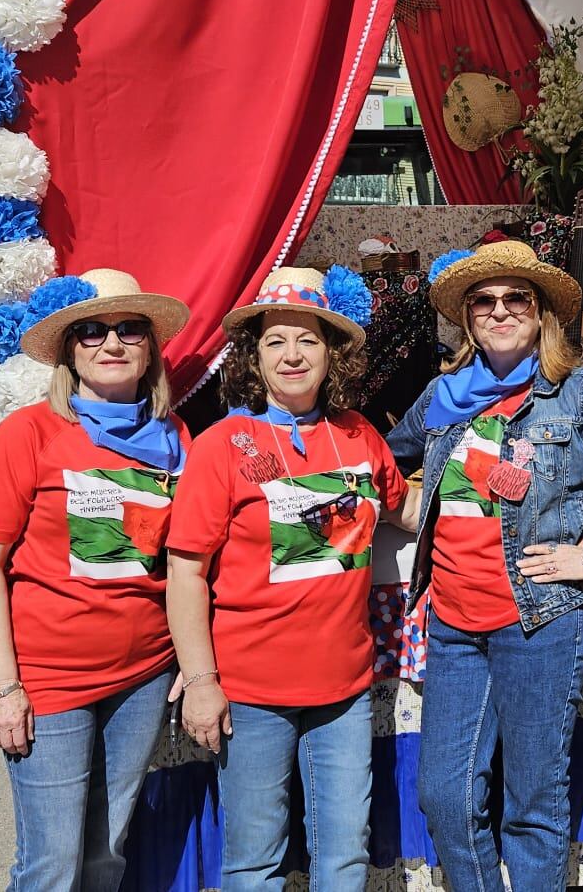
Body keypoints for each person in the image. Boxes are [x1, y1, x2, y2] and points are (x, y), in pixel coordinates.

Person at [386, 240, 583, 892]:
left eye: (516, 297)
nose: (499, 310)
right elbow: (380, 458)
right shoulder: (442, 397)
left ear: (542, 311)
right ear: (466, 318)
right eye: (484, 301)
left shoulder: (578, 394)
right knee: (447, 799)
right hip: (455, 626)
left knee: (532, 807)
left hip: (540, 623)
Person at [165, 267, 407, 892]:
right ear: (255, 357)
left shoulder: (359, 436)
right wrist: (200, 681)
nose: (293, 355)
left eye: (308, 339)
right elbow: (186, 570)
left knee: (344, 857)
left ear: (332, 352)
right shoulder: (222, 445)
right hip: (250, 690)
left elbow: (407, 510)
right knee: (253, 861)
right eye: (276, 341)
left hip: (344, 689)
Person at [0, 269, 190, 892]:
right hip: (49, 680)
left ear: (150, 349)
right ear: (68, 350)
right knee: (51, 864)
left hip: (144, 676)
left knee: (105, 855)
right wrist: (1, 688)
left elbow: (183, 563)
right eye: (90, 331)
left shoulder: (176, 440)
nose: (110, 343)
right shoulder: (26, 433)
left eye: (128, 330)